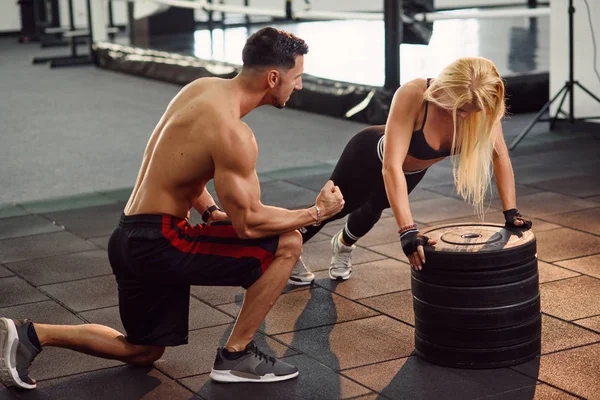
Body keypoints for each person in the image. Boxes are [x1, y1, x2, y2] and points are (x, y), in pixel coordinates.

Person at [0, 27, 344, 390]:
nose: (299, 86)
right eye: (297, 78)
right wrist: (318, 212)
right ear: (273, 77)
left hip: (129, 236)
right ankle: (237, 355)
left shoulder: (200, 89)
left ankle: (31, 334)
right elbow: (250, 224)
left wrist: (210, 212)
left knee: (143, 351)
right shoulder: (233, 133)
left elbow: (179, 165)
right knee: (288, 241)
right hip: (162, 241)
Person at [293, 56, 532, 281]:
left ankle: (342, 246)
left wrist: (511, 212)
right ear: (445, 88)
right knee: (334, 208)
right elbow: (391, 166)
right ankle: (289, 250)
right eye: (459, 108)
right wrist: (407, 230)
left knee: (371, 212)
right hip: (368, 156)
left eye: (470, 111)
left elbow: (500, 157)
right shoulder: (414, 93)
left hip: (411, 172)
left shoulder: (483, 105)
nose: (463, 116)